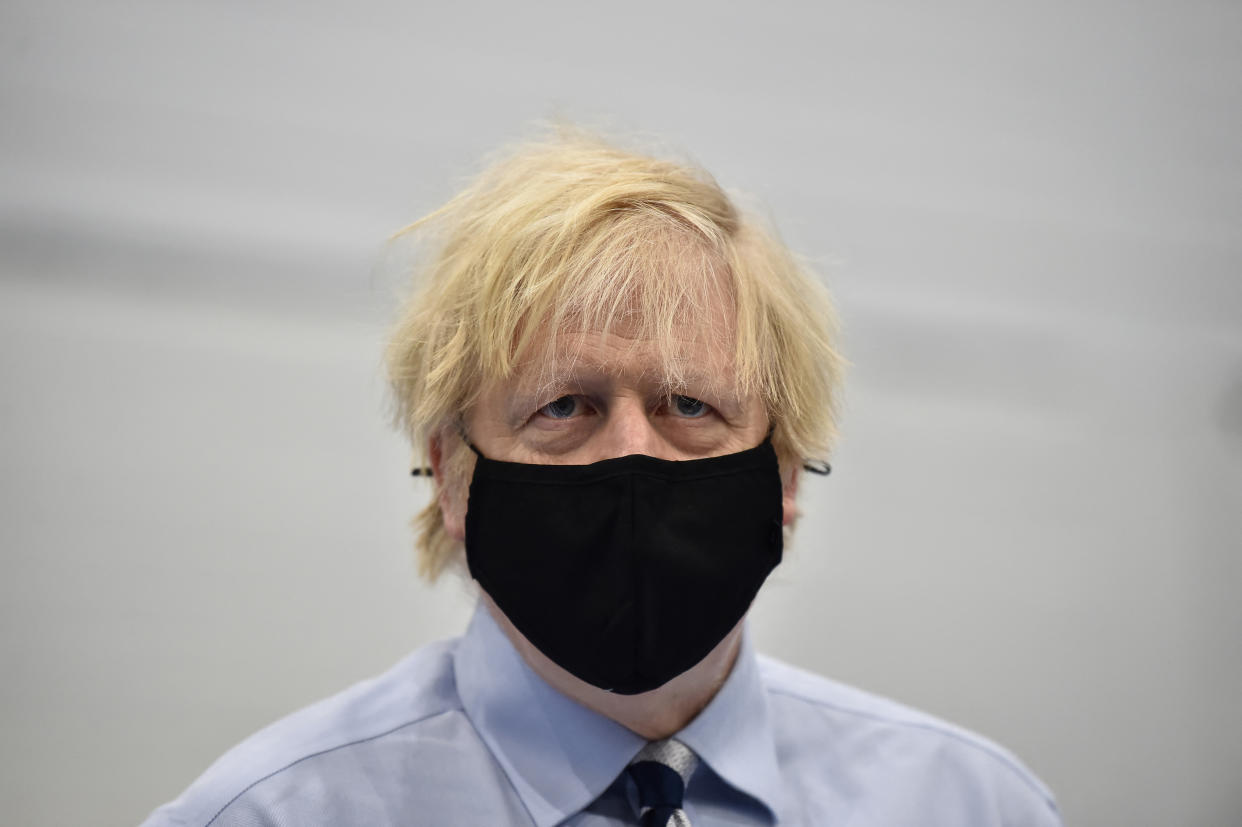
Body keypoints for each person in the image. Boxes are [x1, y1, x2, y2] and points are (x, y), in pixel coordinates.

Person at [142, 130, 1061, 826]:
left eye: (689, 406)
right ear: (452, 477)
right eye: (566, 406)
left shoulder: (970, 803)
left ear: (785, 471)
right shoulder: (273, 814)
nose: (634, 452)